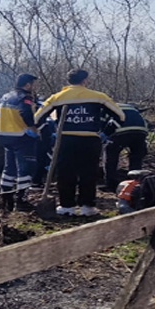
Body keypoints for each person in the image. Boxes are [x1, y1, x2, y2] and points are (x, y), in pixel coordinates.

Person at [34, 69, 124, 216]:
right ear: (85, 80)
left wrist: (47, 133)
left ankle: (66, 206)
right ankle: (87, 207)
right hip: (90, 140)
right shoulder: (98, 97)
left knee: (65, 173)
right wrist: (105, 133)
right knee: (88, 173)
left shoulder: (57, 97)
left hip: (65, 140)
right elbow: (120, 116)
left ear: (68, 80)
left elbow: (37, 119)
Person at [0, 73, 39, 212]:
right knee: (25, 169)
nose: (34, 87)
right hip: (21, 136)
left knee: (9, 169)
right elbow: (26, 114)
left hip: (5, 135)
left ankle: (6, 199)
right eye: (33, 84)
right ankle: (21, 200)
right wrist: (34, 129)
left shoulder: (6, 96)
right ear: (27, 85)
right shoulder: (24, 98)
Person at [102, 103, 149, 192]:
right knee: (136, 158)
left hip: (121, 131)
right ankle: (135, 184)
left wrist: (102, 135)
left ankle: (111, 184)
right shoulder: (130, 108)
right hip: (141, 131)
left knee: (110, 156)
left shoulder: (105, 108)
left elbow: (101, 123)